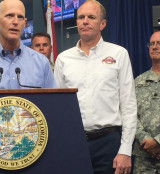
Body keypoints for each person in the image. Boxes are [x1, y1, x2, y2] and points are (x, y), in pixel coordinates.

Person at [54, 1, 137, 173]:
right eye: (81, 17)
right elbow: (58, 109)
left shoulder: (119, 54)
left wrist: (126, 150)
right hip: (73, 142)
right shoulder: (63, 59)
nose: (85, 21)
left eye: (91, 17)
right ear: (76, 22)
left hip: (109, 143)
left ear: (103, 24)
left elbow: (129, 106)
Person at [0, 0, 56, 89]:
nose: (15, 22)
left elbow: (51, 103)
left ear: (24, 23)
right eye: (10, 16)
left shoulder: (42, 63)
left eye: (20, 17)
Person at [133, 31, 160, 173]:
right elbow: (130, 114)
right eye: (151, 43)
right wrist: (146, 141)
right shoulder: (138, 82)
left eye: (159, 43)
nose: (154, 47)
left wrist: (159, 142)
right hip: (143, 158)